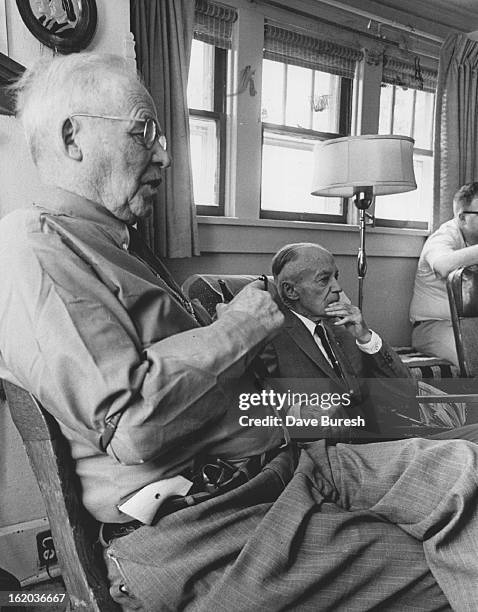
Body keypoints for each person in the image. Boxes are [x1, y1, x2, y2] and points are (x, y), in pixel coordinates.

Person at [1, 52, 478, 611]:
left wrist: (375, 377)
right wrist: (239, 328)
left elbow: (252, 398)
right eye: (145, 131)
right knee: (439, 549)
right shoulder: (34, 248)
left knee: (464, 452)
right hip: (208, 522)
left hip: (285, 460)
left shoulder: (122, 249)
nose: (165, 154)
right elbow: (131, 425)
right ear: (72, 138)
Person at [262, 242, 418, 436]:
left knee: (468, 437)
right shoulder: (271, 337)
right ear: (291, 291)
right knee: (461, 451)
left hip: (383, 437)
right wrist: (297, 412)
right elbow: (250, 403)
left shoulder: (341, 328)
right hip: (332, 450)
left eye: (335, 277)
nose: (337, 287)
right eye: (323, 280)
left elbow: (405, 392)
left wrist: (365, 337)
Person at [410, 182, 478, 366]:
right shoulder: (443, 237)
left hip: (472, 325)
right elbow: (443, 265)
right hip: (433, 326)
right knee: (475, 355)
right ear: (463, 218)